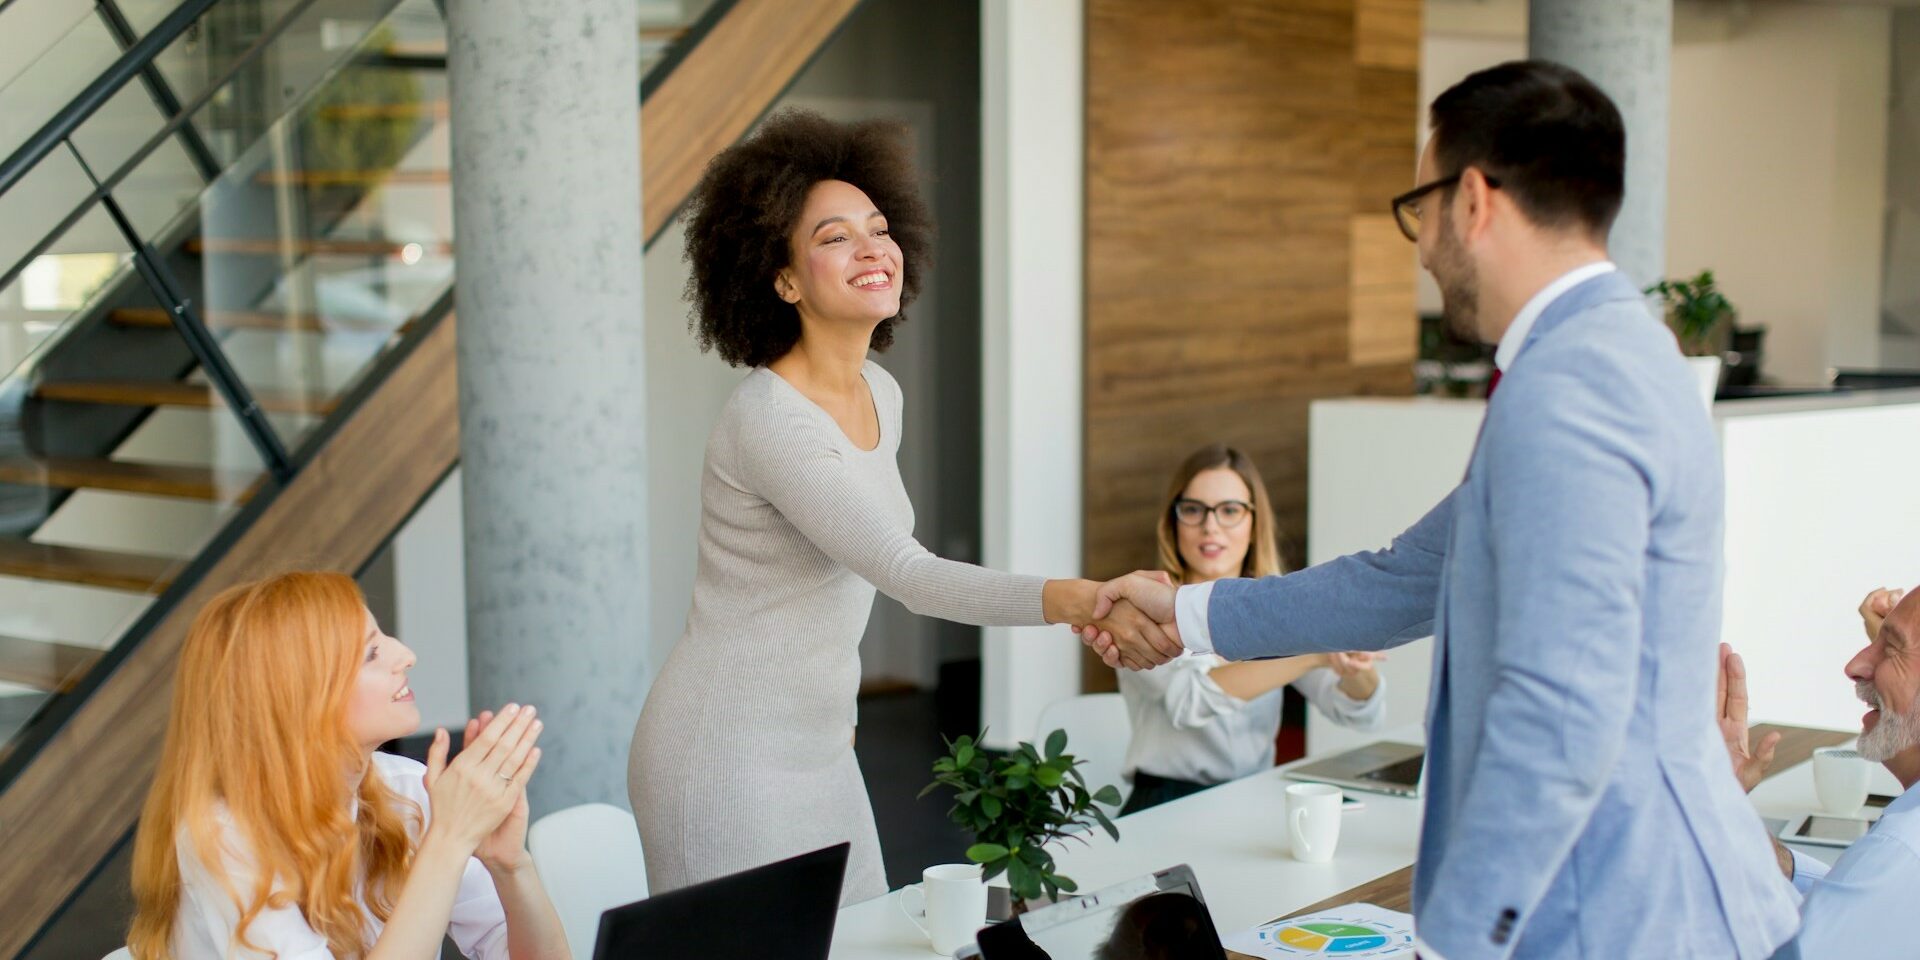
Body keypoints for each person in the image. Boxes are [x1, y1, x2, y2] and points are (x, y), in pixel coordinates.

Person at [1082, 61, 1798, 958]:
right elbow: (1404, 575)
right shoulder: (1608, 354)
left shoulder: (1574, 384)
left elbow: (1560, 701)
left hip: (1613, 915)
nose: (1420, 249)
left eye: (1419, 211)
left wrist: (1465, 936)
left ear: (1472, 200)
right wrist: (1189, 610)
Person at [628, 109, 1177, 907]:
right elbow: (905, 574)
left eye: (878, 228)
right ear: (780, 279)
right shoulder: (770, 421)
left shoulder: (882, 391)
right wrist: (1086, 600)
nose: (870, 248)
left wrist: (834, 702)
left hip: (821, 744)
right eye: (832, 237)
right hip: (724, 752)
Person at [127, 572, 569, 960]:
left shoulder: (408, 791)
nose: (406, 654)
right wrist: (450, 840)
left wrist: (510, 865)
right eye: (372, 654)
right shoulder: (226, 837)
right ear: (298, 700)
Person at [1117, 444, 1384, 814]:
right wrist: (1313, 653)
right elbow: (1190, 700)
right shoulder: (1141, 610)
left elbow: (1361, 714)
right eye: (1194, 510)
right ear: (1173, 521)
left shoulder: (1272, 605)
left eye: (1229, 511)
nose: (1211, 526)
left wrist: (1353, 664)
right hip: (1165, 804)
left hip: (1251, 800)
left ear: (1254, 525)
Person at [1720, 587, 1917, 960]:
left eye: (1890, 647)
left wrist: (1690, 809)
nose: (1854, 665)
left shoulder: (1903, 854)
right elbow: (1864, 911)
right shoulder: (1893, 871)